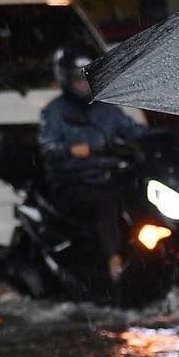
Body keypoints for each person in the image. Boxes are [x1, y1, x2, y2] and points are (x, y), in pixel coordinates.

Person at [39, 45, 148, 283]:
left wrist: (167, 137)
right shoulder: (54, 112)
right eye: (78, 79)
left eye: (87, 78)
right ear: (65, 79)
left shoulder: (106, 108)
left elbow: (133, 131)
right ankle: (113, 261)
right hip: (73, 182)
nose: (83, 84)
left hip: (109, 176)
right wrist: (69, 150)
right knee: (106, 202)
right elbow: (48, 146)